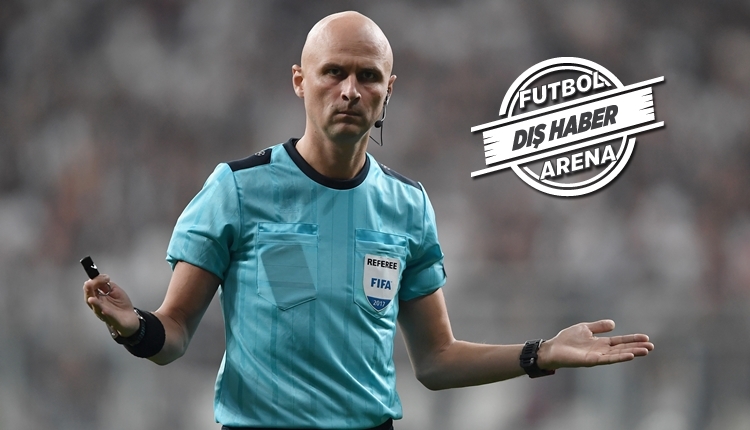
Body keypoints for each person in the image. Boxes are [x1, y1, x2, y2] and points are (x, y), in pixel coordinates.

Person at [83, 11, 654, 430]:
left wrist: (540, 353)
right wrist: (134, 327)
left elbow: (436, 359)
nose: (351, 91)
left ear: (389, 90)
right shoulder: (236, 189)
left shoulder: (408, 205)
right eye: (333, 72)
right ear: (299, 81)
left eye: (368, 76)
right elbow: (174, 335)